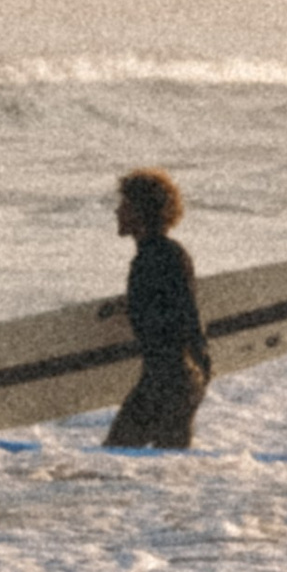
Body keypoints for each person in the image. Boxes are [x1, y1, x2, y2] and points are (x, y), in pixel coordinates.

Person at [105, 169, 212, 449]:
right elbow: (171, 308)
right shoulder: (160, 253)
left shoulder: (160, 255)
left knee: (114, 460)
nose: (117, 212)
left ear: (140, 211)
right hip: (177, 378)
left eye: (124, 205)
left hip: (168, 380)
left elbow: (186, 315)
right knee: (165, 471)